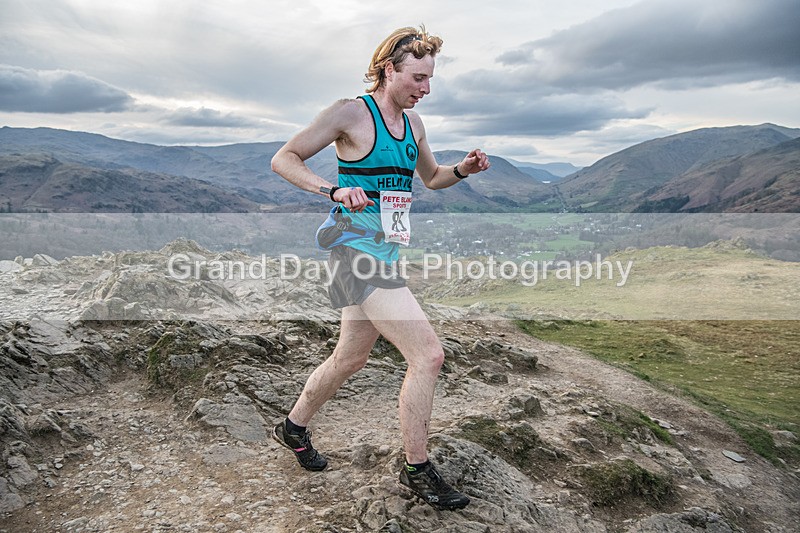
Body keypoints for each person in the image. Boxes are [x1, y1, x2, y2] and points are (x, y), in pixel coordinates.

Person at [269, 25, 490, 510]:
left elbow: (431, 178)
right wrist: (331, 189)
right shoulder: (352, 113)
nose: (425, 89)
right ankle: (418, 469)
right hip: (354, 251)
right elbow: (283, 158)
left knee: (350, 358)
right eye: (417, 77)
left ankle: (294, 426)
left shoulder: (414, 127)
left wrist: (463, 170)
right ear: (389, 68)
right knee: (428, 355)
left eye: (430, 79)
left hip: (386, 252)